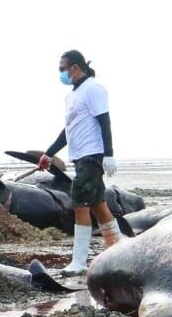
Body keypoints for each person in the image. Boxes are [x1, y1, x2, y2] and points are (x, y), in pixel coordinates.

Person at [38, 50, 123, 275]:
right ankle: (120, 251)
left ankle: (79, 262)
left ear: (75, 67)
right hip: (79, 157)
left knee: (79, 205)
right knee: (98, 205)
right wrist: (48, 153)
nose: (61, 73)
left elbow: (105, 122)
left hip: (91, 155)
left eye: (62, 68)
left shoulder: (93, 89)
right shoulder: (72, 96)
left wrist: (109, 154)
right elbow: (68, 131)